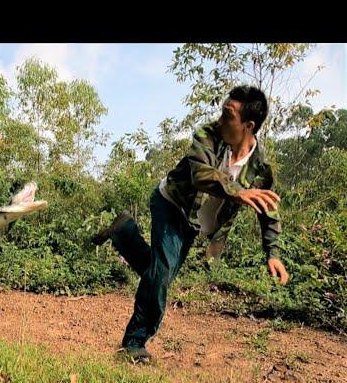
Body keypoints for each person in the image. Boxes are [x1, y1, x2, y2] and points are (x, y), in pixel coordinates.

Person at [91, 85, 289, 362]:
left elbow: (268, 210)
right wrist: (237, 192)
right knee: (160, 274)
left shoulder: (259, 169)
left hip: (192, 224)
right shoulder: (207, 135)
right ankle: (134, 344)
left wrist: (273, 253)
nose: (220, 118)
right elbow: (201, 175)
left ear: (248, 125)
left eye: (228, 115)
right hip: (170, 203)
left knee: (160, 274)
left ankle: (125, 233)